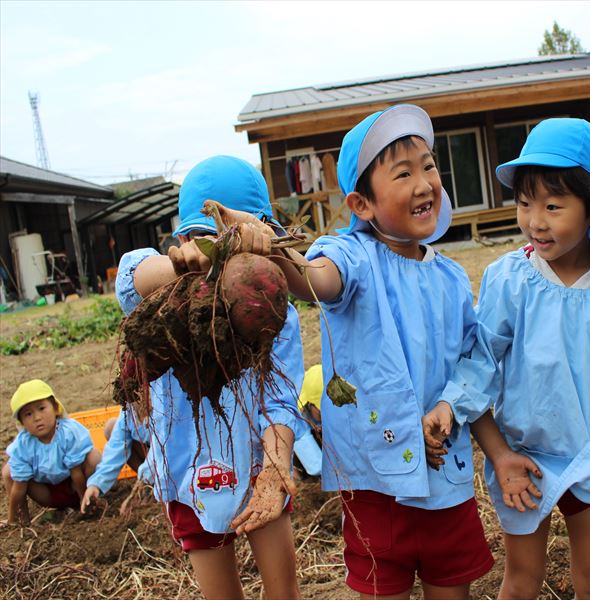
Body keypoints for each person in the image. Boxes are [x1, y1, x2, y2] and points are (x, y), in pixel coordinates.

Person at [214, 104, 494, 599]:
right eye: (403, 173)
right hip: (374, 486)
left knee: (451, 585)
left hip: (445, 480)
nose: (424, 183)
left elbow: (475, 360)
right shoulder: (352, 255)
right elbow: (317, 280)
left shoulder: (451, 277)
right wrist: (266, 243)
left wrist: (449, 406)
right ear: (362, 204)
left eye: (429, 166)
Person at [424, 118, 590, 599]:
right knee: (522, 579)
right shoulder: (511, 279)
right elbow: (481, 361)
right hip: (525, 458)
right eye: (525, 203)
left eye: (553, 206)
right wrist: (450, 404)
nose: (535, 221)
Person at [115, 155, 306, 600]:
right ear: (183, 239)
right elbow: (129, 277)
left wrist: (275, 470)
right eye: (208, 239)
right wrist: (185, 265)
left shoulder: (272, 312)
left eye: (244, 244)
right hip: (188, 474)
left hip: (257, 467)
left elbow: (280, 400)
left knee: (284, 591)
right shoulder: (162, 296)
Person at [3, 379, 101, 525]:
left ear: (55, 408)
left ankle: (89, 501)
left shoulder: (68, 432)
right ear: (22, 422)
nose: (37, 418)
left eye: (42, 408)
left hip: (77, 487)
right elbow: (19, 487)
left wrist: (83, 502)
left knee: (94, 456)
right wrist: (12, 519)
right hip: (47, 494)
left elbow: (76, 472)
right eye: (28, 414)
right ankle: (22, 520)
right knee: (9, 471)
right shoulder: (23, 444)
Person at [80, 408, 151, 514]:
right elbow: (116, 447)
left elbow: (164, 451)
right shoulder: (130, 409)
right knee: (112, 427)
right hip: (150, 458)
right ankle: (151, 484)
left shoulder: (164, 406)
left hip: (171, 460)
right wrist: (96, 484)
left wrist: (145, 479)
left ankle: (154, 484)